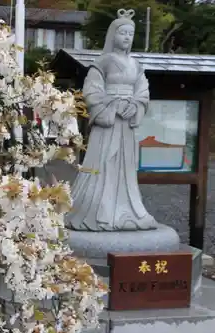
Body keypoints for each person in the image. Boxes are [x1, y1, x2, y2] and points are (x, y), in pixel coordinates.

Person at [66, 9, 157, 231]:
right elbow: (92, 91)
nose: (127, 37)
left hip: (127, 123)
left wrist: (134, 104)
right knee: (104, 161)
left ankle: (127, 211)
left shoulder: (136, 65)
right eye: (123, 32)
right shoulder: (103, 62)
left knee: (125, 166)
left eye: (130, 33)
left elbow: (143, 91)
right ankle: (99, 211)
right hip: (108, 121)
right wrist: (114, 105)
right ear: (113, 34)